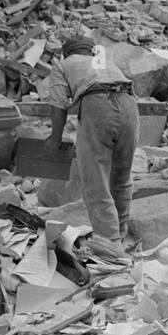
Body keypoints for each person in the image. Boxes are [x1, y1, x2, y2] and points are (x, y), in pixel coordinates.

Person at [46, 35, 138, 245]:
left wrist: (54, 140)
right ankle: (121, 235)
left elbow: (59, 105)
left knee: (96, 180)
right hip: (129, 103)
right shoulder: (106, 61)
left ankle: (110, 244)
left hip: (97, 104)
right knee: (122, 176)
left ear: (67, 53)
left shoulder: (64, 64)